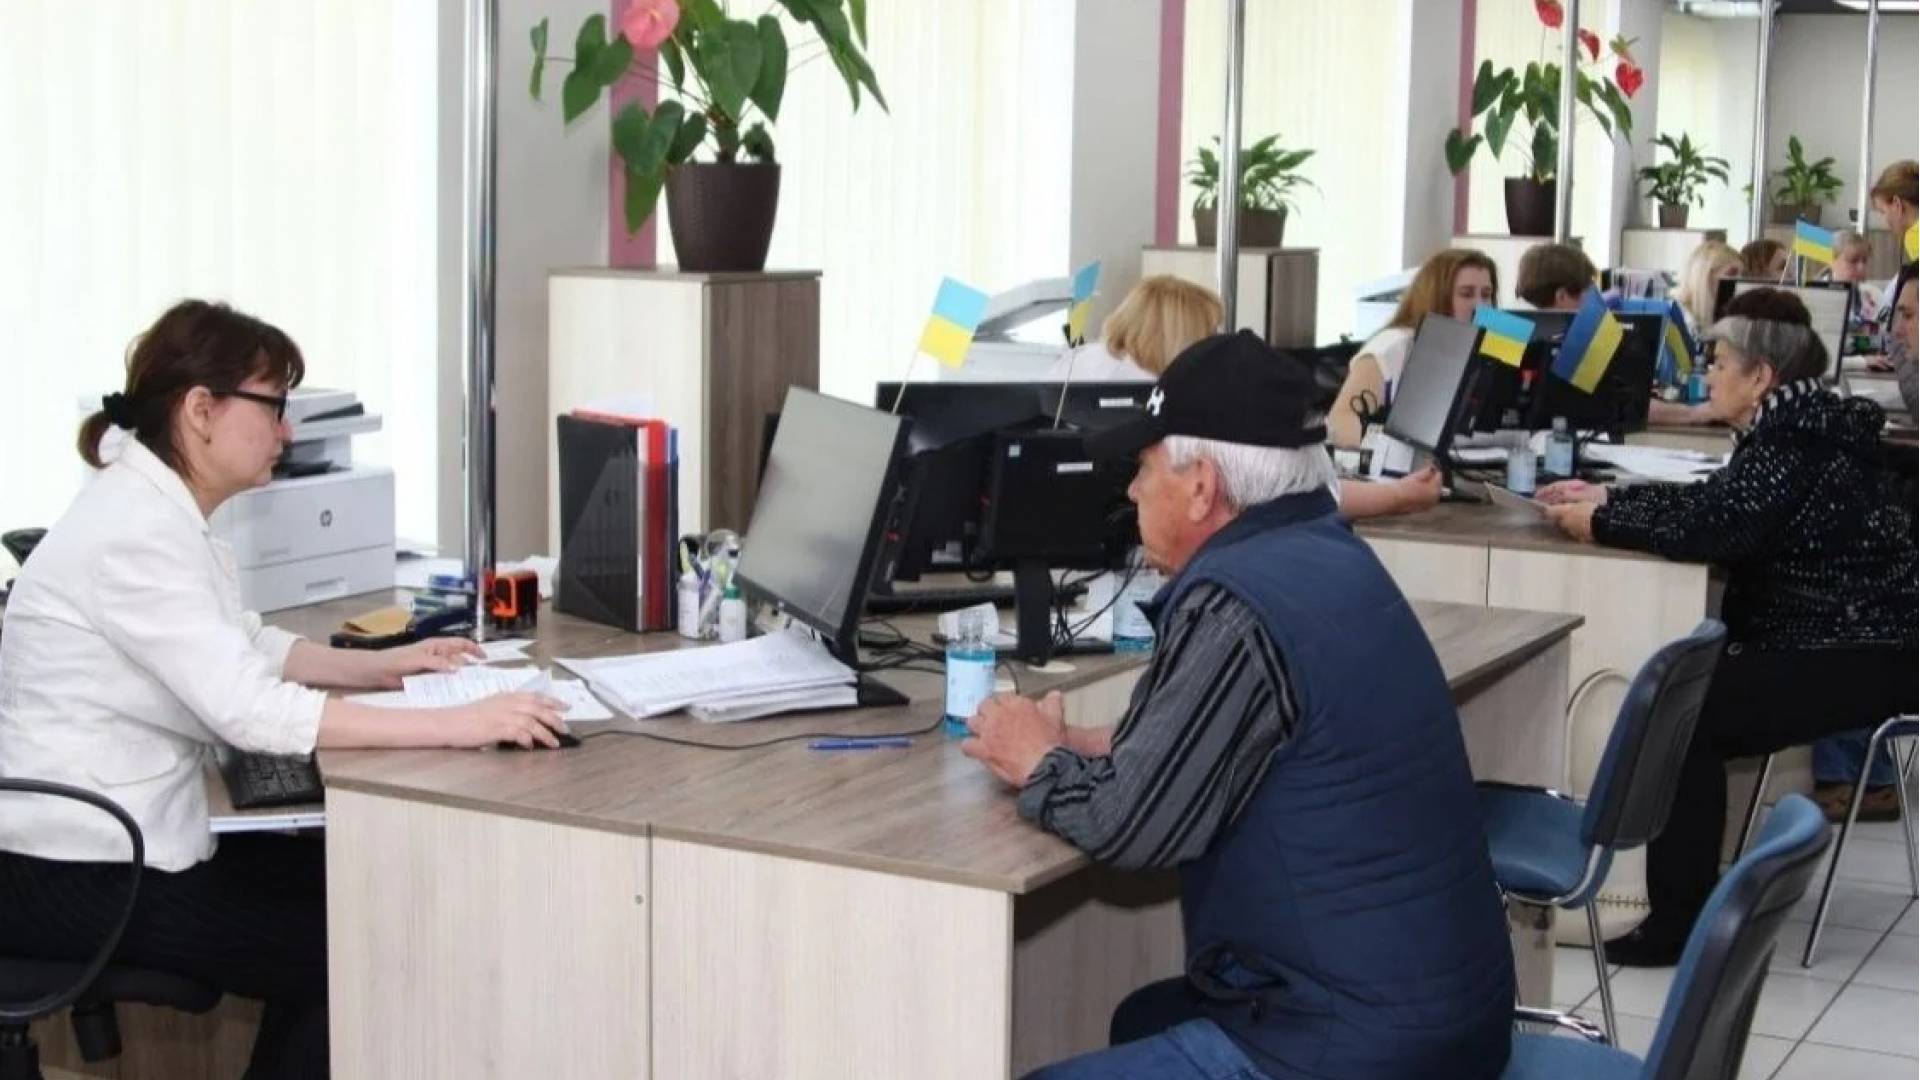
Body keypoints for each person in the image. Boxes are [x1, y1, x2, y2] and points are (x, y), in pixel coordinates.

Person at [0, 300, 572, 1079]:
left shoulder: (154, 509)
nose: (288, 432)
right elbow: (252, 711)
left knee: (363, 890)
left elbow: (244, 644)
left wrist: (391, 667)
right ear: (200, 410)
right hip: (76, 871)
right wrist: (464, 722)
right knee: (353, 949)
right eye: (274, 407)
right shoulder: (135, 532)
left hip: (112, 845)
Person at [962, 330, 1516, 1079]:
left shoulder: (1234, 606)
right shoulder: (1326, 552)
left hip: (1354, 1049)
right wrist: (1099, 744)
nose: (1132, 492)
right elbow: (1256, 739)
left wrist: (1036, 759)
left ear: (1202, 487)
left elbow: (1129, 829)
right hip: (1445, 1015)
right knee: (1140, 1016)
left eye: (1144, 468)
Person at [1538, 288, 1917, 965]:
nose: (1707, 375)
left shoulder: (1793, 440)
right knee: (1691, 706)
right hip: (1858, 642)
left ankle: (1679, 923)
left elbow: (1717, 528)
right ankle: (1687, 904)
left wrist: (1601, 522)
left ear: (1761, 376)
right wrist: (1611, 497)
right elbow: (1717, 503)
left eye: (1719, 363)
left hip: (1853, 649)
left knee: (1684, 718)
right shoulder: (1801, 422)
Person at [1329, 248, 1498, 449]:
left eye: (1486, 295)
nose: (1480, 305)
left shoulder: (1489, 341)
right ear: (1437, 296)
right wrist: (1392, 451)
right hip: (1395, 464)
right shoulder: (1391, 346)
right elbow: (1340, 420)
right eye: (1466, 294)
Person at [1045, 275, 1222, 383]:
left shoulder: (1084, 359)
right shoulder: (1142, 385)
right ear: (1171, 336)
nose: (1215, 342)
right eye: (1208, 332)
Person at [1672, 239, 1743, 337]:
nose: (1739, 282)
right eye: (1732, 274)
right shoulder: (1676, 316)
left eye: (1741, 275)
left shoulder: (1724, 313)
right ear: (1705, 276)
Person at [1514, 241, 1597, 311]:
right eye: (1590, 293)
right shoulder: (1589, 323)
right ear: (1562, 297)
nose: (1594, 301)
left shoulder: (1513, 323)